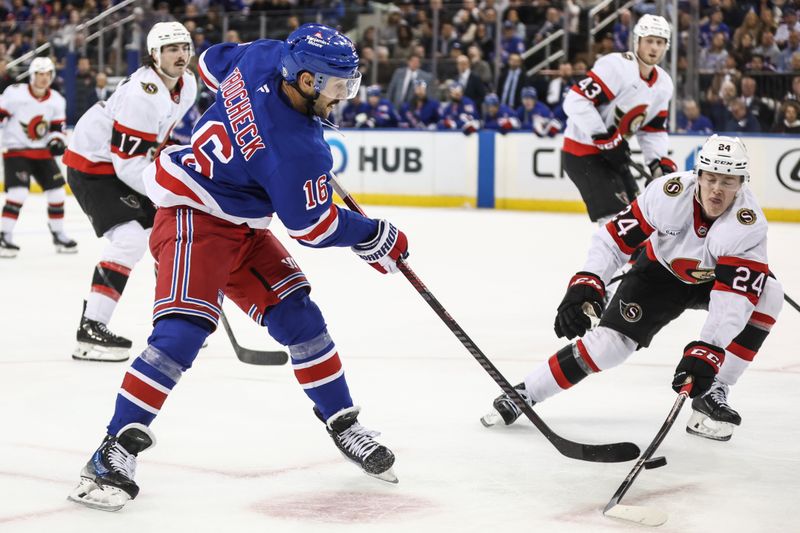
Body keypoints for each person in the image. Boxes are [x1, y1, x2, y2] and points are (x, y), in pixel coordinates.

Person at [67, 23, 407, 512]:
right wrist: (372, 235)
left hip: (242, 223)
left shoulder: (266, 55)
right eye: (337, 85)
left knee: (301, 320)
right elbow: (312, 227)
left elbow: (210, 63)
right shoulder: (299, 149)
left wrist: (248, 132)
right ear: (306, 80)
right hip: (192, 213)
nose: (343, 96)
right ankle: (110, 452)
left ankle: (344, 425)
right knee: (182, 333)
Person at [481, 135, 783, 443]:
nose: (718, 189)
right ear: (698, 175)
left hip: (714, 281)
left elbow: (733, 299)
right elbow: (613, 239)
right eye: (712, 178)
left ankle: (714, 391)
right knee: (608, 347)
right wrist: (589, 278)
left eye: (728, 181)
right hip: (659, 275)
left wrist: (709, 349)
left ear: (741, 183)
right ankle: (525, 392)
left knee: (768, 295)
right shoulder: (668, 195)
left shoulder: (748, 225)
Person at [63, 22, 197, 362]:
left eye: (183, 47)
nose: (179, 55)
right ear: (154, 55)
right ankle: (91, 330)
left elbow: (154, 140)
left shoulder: (188, 85)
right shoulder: (142, 94)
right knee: (131, 239)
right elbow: (127, 166)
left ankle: (174, 321)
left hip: (121, 162)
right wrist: (168, 192)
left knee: (167, 234)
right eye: (170, 49)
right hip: (93, 165)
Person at [561, 14, 676, 225]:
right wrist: (604, 137)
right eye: (649, 40)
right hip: (582, 153)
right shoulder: (616, 67)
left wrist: (657, 163)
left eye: (659, 42)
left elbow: (653, 130)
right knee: (616, 223)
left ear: (666, 46)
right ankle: (603, 259)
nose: (654, 47)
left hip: (613, 156)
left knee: (638, 223)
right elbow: (575, 101)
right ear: (637, 41)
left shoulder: (664, 84)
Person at [0, 57, 75, 258]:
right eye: (40, 74)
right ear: (32, 75)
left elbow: (57, 128)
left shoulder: (57, 100)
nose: (43, 78)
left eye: (47, 74)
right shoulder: (15, 93)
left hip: (42, 152)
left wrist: (57, 140)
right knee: (18, 193)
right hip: (16, 150)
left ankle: (58, 233)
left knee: (58, 194)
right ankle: (4, 235)